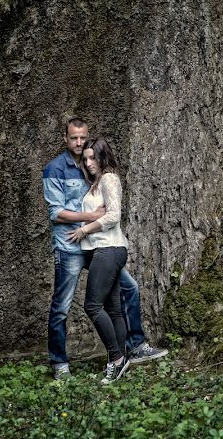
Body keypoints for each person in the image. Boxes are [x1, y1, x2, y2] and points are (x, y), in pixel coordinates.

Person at [43, 118, 167, 381]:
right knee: (62, 306)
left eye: (82, 138)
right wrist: (89, 219)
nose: (79, 143)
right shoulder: (55, 168)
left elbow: (110, 210)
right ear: (65, 139)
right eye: (74, 138)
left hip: (97, 246)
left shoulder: (93, 169)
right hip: (70, 246)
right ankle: (60, 363)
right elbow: (56, 213)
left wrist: (93, 221)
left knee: (128, 288)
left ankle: (133, 347)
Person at [67, 138, 130, 383]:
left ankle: (117, 359)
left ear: (104, 156)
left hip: (108, 249)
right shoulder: (97, 183)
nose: (89, 163)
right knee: (113, 309)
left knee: (92, 306)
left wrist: (84, 230)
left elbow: (114, 215)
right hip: (105, 250)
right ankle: (120, 362)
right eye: (86, 159)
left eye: (93, 157)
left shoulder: (109, 179)